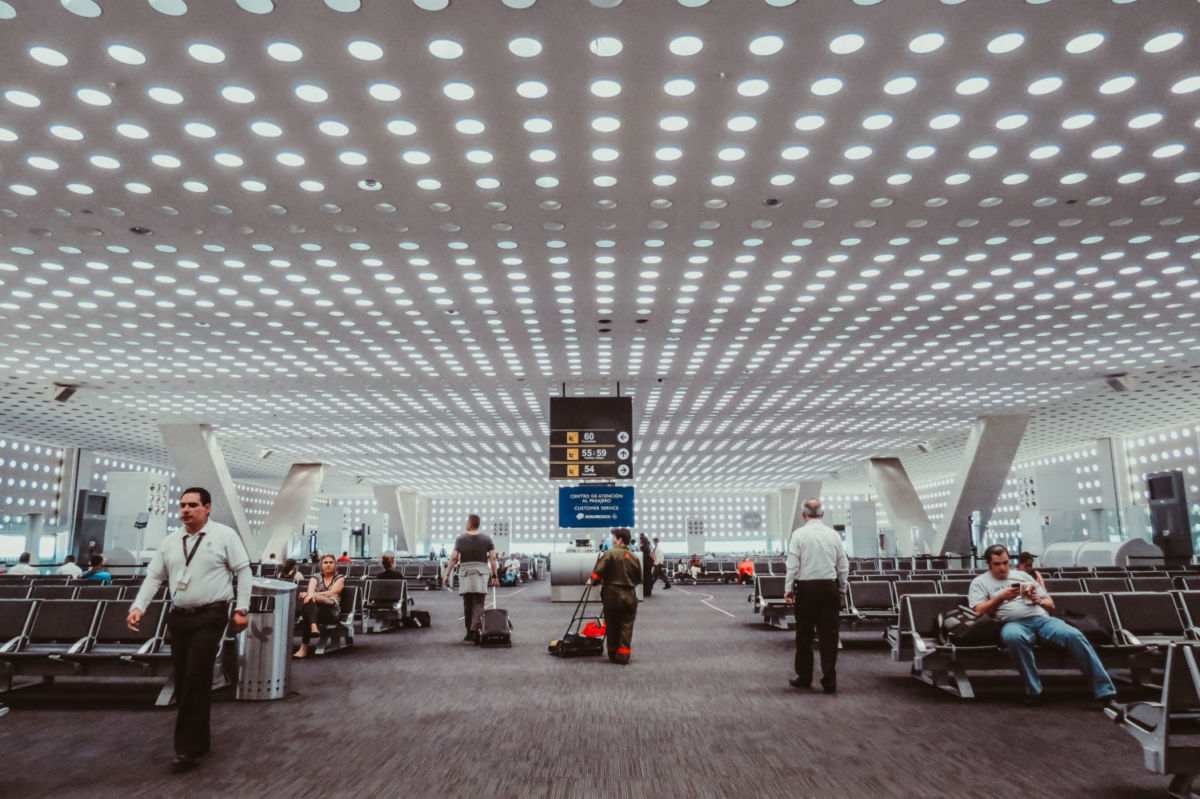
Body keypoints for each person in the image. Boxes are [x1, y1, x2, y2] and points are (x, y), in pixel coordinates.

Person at [126, 486, 251, 773]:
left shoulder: (224, 536)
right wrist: (138, 607)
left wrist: (242, 609)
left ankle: (187, 748)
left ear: (207, 508)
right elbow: (155, 577)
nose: (185, 510)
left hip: (211, 614)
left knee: (195, 676)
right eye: (182, 505)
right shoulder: (171, 541)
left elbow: (243, 571)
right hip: (179, 617)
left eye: (192, 505)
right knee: (185, 681)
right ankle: (200, 739)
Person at [969, 544, 1117, 708]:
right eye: (997, 564)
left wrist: (1038, 600)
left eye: (1005, 563)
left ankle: (1105, 691)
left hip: (1041, 620)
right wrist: (1001, 598)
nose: (1003, 568)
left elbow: (1050, 604)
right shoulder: (980, 582)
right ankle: (1034, 691)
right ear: (988, 564)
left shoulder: (1022, 576)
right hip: (1013, 623)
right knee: (1013, 638)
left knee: (1075, 635)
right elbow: (978, 610)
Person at [784, 498, 848, 694]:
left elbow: (792, 564)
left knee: (804, 634)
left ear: (804, 515)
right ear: (822, 514)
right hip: (829, 587)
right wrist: (842, 589)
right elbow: (843, 565)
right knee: (829, 636)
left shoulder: (799, 534)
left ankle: (804, 677)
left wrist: (789, 588)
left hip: (807, 588)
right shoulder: (833, 535)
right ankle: (829, 680)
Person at [586, 528, 642, 664]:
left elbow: (598, 572)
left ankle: (612, 653)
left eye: (614, 538)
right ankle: (623, 656)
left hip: (611, 595)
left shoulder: (609, 554)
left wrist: (592, 582)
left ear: (620, 540)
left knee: (611, 624)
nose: (613, 541)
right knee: (626, 624)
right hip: (629, 595)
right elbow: (638, 579)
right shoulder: (634, 557)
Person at [443, 514, 497, 642]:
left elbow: (454, 558)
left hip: (465, 572)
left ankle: (468, 631)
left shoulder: (460, 539)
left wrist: (447, 574)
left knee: (467, 603)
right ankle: (475, 630)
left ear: (469, 523)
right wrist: (495, 575)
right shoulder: (487, 539)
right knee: (479, 602)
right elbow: (493, 558)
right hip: (481, 572)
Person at [294, 554, 344, 658]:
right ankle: (313, 626)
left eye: (331, 562)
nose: (328, 565)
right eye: (325, 563)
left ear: (335, 565)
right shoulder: (315, 577)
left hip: (331, 611)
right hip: (315, 610)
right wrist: (311, 595)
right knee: (310, 605)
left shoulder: (339, 577)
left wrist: (312, 595)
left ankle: (303, 648)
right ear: (321, 565)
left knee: (308, 605)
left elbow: (334, 592)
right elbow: (310, 591)